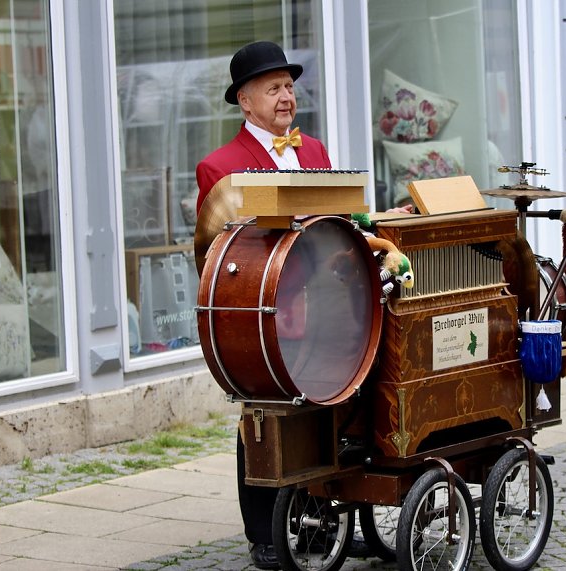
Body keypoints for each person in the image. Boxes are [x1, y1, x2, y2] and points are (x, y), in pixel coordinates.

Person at [196, 40, 408, 571]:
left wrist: (379, 219)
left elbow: (337, 223)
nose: (286, 96)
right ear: (245, 101)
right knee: (265, 420)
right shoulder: (218, 167)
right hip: (266, 310)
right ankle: (266, 533)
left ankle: (327, 526)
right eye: (273, 88)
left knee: (333, 408)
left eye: (289, 86)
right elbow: (218, 252)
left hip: (325, 306)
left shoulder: (312, 150)